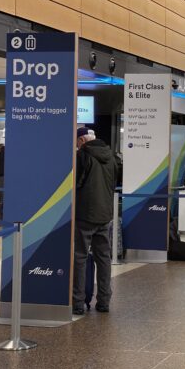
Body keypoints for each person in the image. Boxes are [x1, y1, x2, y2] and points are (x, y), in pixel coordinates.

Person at [73, 127, 118, 315]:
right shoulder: (112, 157)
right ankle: (104, 301)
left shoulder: (83, 156)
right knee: (103, 258)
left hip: (85, 215)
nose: (76, 145)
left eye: (76, 142)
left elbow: (77, 184)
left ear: (82, 140)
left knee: (80, 257)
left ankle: (78, 303)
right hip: (105, 214)